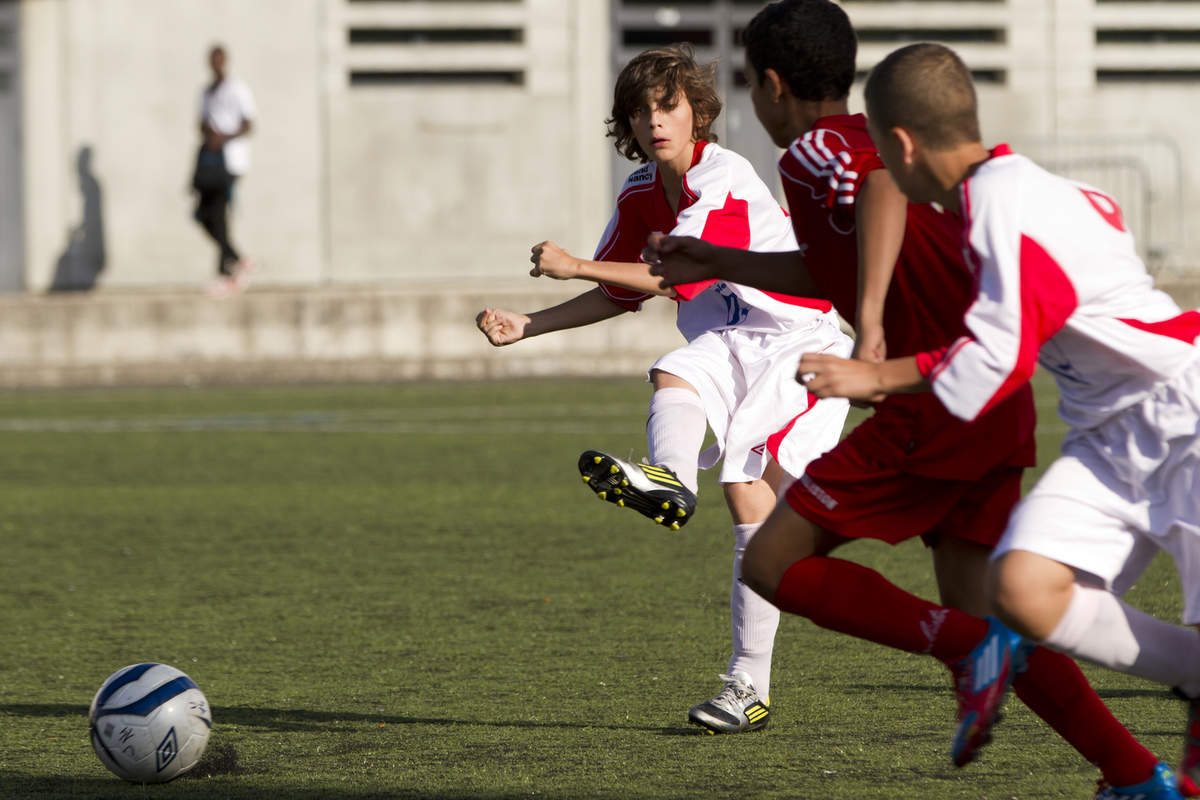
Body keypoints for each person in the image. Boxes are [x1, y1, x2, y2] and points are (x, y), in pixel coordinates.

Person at [646, 3, 1183, 797]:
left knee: (772, 562)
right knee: (988, 614)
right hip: (985, 396)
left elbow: (878, 192)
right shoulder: (865, 138)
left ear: (772, 86)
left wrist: (868, 332)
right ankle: (1135, 773)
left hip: (927, 405)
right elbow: (831, 261)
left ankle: (976, 653)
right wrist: (719, 259)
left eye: (750, 87)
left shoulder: (818, 150)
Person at [794, 39, 1200, 799]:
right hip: (1110, 433)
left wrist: (874, 373)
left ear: (901, 146)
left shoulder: (1003, 208)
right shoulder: (1016, 192)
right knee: (1019, 591)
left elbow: (997, 360)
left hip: (1188, 422)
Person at [476, 43, 852, 735]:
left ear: (696, 113)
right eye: (640, 110)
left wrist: (572, 264)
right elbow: (618, 293)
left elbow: (673, 276)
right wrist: (529, 325)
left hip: (798, 343)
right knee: (672, 372)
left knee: (749, 496)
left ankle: (749, 684)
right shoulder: (640, 192)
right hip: (731, 340)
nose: (654, 120)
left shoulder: (725, 175)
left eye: (668, 105)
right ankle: (671, 481)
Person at [195, 44, 255, 297]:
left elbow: (249, 124)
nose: (216, 64)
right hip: (210, 162)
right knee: (203, 215)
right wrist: (210, 135)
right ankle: (237, 259)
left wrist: (224, 137)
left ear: (225, 61)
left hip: (230, 162)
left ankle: (225, 273)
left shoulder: (237, 89)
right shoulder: (207, 93)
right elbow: (201, 123)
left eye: (219, 59)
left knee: (219, 214)